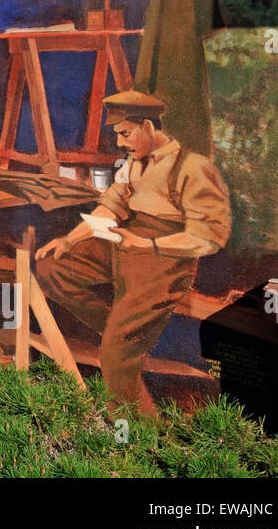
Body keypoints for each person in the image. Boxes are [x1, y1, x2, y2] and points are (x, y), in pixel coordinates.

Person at [35, 90, 233, 414]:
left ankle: (134, 437)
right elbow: (111, 205)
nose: (121, 143)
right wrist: (70, 240)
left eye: (125, 134)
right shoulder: (134, 163)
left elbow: (209, 237)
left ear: (148, 127)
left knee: (113, 356)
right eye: (117, 135)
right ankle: (122, 333)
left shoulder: (192, 167)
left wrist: (146, 244)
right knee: (51, 269)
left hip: (164, 261)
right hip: (125, 244)